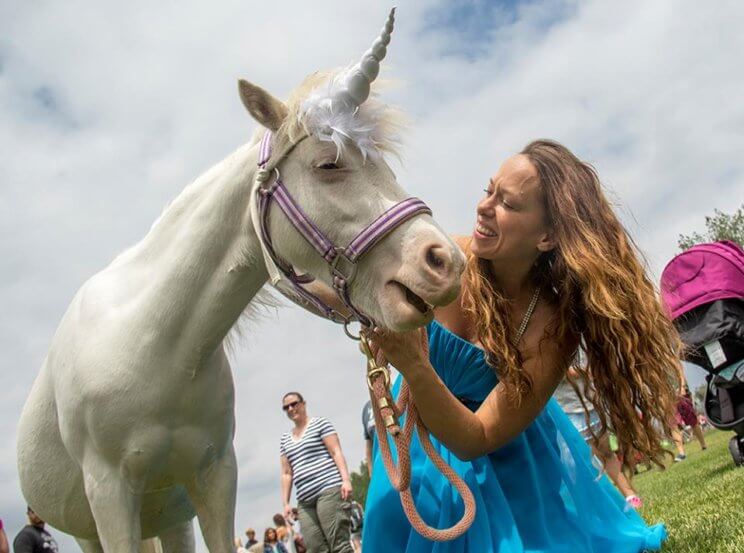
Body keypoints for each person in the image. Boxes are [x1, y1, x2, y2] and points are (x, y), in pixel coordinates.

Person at [361, 140, 681, 552]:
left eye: (507, 204)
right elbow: (350, 282)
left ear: (546, 236)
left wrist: (414, 365)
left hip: (503, 465)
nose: (484, 207)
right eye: (488, 190)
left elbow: (476, 437)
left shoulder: (553, 325)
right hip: (415, 455)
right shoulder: (446, 259)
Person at [555, 365, 643, 509]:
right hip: (567, 412)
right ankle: (595, 504)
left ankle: (630, 495)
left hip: (591, 404)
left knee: (606, 453)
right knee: (577, 461)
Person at [279, 392, 354, 553]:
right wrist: (285, 503)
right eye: (286, 407)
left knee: (338, 545)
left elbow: (336, 452)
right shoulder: (285, 439)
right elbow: (286, 473)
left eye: (294, 404)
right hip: (305, 501)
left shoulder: (320, 424)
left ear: (303, 404)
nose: (291, 409)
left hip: (329, 490)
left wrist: (346, 479)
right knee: (314, 547)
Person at [670, 365, 707, 461]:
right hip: (668, 397)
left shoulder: (668, 356)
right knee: (673, 424)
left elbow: (680, 369)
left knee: (692, 421)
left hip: (681, 392)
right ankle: (681, 453)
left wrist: (682, 386)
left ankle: (703, 445)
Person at [361, 400, 375, 476]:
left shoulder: (398, 396)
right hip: (381, 464)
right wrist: (371, 471)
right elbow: (369, 445)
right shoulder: (367, 407)